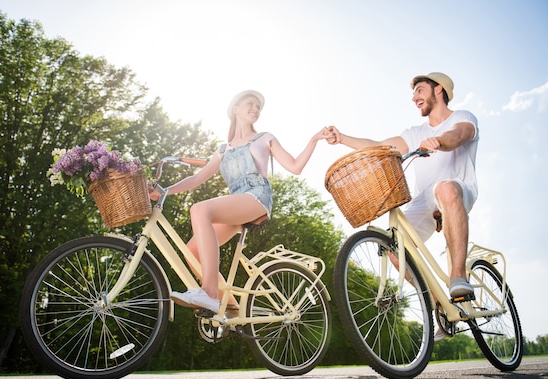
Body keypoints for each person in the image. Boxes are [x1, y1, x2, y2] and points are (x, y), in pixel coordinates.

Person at [325, 72, 479, 339]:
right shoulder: (415, 132)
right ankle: (439, 305)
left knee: (445, 187)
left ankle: (458, 278)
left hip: (457, 189)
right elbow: (378, 146)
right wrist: (343, 139)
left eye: (420, 90)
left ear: (438, 90)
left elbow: (458, 135)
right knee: (394, 247)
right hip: (423, 200)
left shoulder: (462, 117)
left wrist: (439, 142)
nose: (414, 97)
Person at [150, 90, 327, 313]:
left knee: (199, 210)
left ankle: (209, 293)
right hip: (237, 202)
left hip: (256, 196)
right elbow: (198, 178)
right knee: (192, 252)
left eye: (258, 107)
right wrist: (165, 191)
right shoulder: (223, 150)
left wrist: (314, 139)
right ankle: (231, 308)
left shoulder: (265, 138)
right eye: (250, 104)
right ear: (236, 109)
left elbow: (295, 166)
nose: (255, 109)